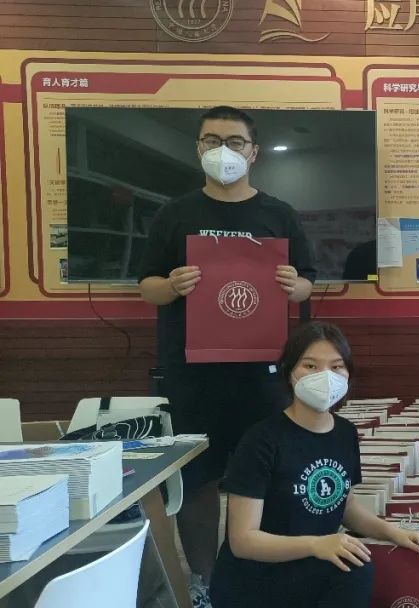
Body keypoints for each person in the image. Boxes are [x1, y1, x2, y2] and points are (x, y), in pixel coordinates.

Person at [137, 106, 317, 607]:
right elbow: (147, 286)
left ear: (253, 153)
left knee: (269, 473)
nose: (223, 150)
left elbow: (307, 281)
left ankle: (265, 573)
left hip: (262, 369)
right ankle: (204, 582)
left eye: (234, 141)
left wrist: (294, 284)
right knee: (198, 477)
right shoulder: (174, 214)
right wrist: (172, 285)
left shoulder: (278, 214)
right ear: (198, 148)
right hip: (192, 371)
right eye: (211, 140)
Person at [209, 321, 419, 608]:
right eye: (310, 366)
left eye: (336, 366)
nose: (325, 376)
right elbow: (244, 541)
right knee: (353, 571)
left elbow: (346, 508)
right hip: (255, 577)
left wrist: (394, 532)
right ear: (289, 372)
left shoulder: (345, 433)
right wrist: (316, 544)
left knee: (356, 563)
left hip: (308, 565)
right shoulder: (261, 440)